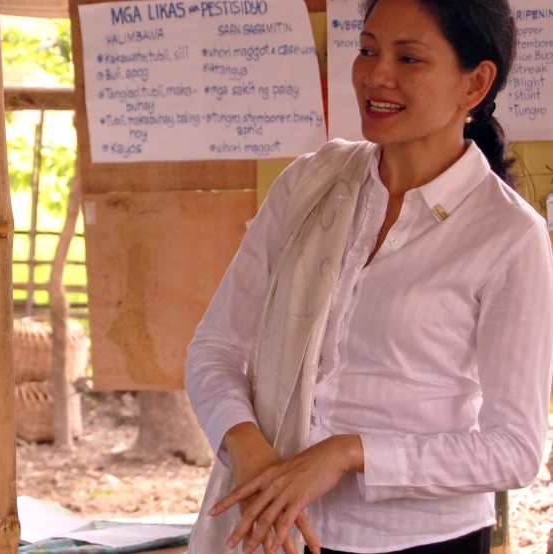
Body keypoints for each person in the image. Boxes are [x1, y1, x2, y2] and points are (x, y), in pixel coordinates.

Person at [184, 0, 553, 553]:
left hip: (424, 541)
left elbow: (514, 450)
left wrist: (348, 452)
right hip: (274, 530)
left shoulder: (508, 235)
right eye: (367, 50)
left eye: (409, 58)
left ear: (474, 84)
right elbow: (214, 350)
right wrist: (248, 449)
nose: (376, 75)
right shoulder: (308, 186)